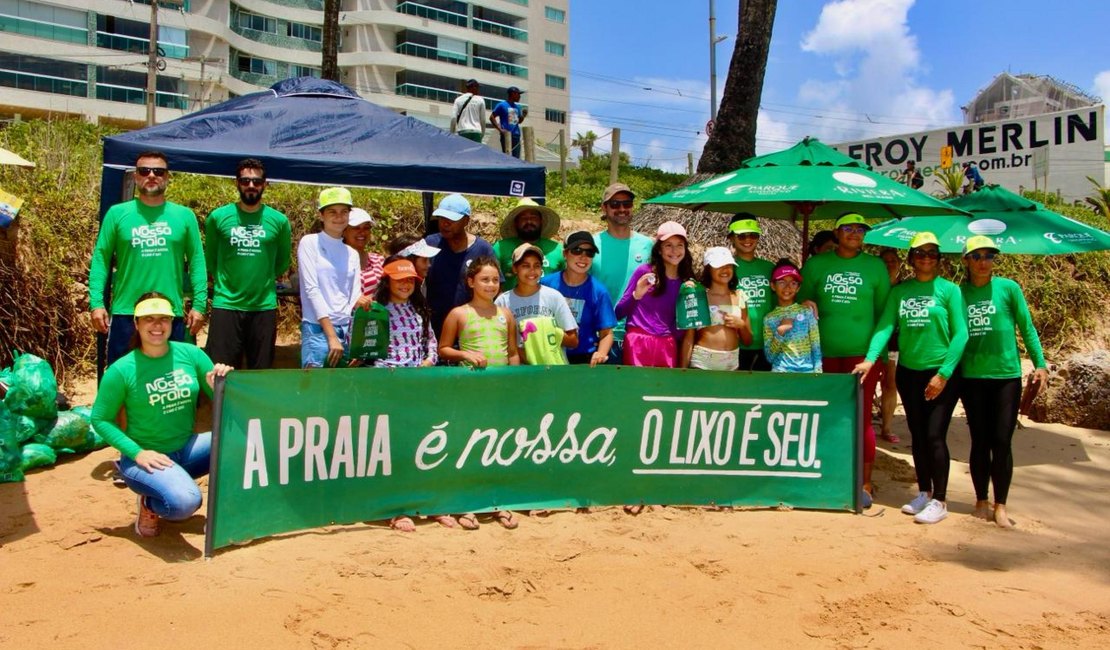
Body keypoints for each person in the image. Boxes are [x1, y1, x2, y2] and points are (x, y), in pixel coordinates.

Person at [90, 292, 232, 537]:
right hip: (144, 460)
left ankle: (226, 516)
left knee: (236, 441)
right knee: (185, 503)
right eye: (149, 319)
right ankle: (149, 504)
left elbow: (226, 401)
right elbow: (100, 419)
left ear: (172, 322)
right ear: (136, 324)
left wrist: (222, 381)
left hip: (186, 449)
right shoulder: (122, 370)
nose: (157, 325)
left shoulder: (191, 355)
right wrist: (137, 453)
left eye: (163, 319)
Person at [854, 232, 968, 525]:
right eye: (920, 253)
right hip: (909, 373)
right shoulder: (900, 292)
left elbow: (961, 334)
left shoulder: (949, 290)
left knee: (934, 435)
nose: (926, 258)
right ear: (911, 258)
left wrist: (943, 374)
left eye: (932, 253)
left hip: (941, 373)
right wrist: (870, 358)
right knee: (918, 435)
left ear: (939, 259)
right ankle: (925, 492)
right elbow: (885, 326)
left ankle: (940, 500)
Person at [958, 236, 1048, 528]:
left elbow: (1027, 327)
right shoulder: (957, 294)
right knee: (980, 441)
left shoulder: (1009, 289)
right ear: (966, 261)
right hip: (972, 378)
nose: (984, 262)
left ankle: (1001, 506)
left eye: (989, 256)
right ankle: (981, 501)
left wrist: (1040, 365)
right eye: (977, 256)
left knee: (1002, 441)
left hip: (1006, 377)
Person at [800, 213, 891, 501]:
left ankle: (864, 482)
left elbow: (883, 317)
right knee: (825, 415)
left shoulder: (875, 267)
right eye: (848, 228)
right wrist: (804, 301)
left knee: (861, 418)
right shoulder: (816, 264)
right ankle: (826, 473)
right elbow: (800, 302)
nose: (854, 233)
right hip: (820, 355)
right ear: (837, 233)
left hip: (862, 357)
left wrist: (879, 357)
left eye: (860, 229)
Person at [89, 151, 207, 368]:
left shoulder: (184, 216)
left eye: (158, 171)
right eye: (145, 171)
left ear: (167, 177)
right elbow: (101, 260)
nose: (151, 175)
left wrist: (199, 305)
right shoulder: (117, 213)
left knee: (169, 384)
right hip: (127, 314)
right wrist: (96, 303)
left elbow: (197, 262)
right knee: (123, 383)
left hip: (169, 313)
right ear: (136, 177)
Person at [437, 257, 520, 530]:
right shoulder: (459, 314)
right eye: (484, 279)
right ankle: (466, 505)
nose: (491, 284)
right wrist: (466, 354)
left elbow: (512, 353)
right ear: (471, 282)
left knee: (498, 448)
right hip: (469, 393)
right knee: (468, 448)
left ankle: (497, 504)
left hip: (499, 394)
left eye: (495, 280)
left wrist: (515, 381)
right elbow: (444, 348)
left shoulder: (505, 315)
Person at [204, 158, 291, 370]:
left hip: (263, 306)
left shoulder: (279, 221)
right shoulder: (218, 217)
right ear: (237, 183)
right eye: (245, 180)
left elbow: (281, 262)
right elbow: (211, 259)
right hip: (226, 304)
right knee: (220, 372)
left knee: (259, 372)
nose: (251, 185)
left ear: (265, 184)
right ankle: (221, 406)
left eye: (256, 181)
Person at [297, 187, 372, 368]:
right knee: (316, 390)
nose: (339, 217)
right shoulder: (309, 242)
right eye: (332, 212)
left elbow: (353, 296)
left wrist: (358, 341)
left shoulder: (352, 253)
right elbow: (311, 290)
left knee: (341, 391)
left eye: (344, 212)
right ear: (321, 215)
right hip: (317, 330)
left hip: (346, 330)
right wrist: (331, 337)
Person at [615, 221, 694, 368]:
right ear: (659, 249)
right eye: (668, 245)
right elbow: (618, 313)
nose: (674, 250)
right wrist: (636, 295)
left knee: (662, 391)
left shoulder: (686, 282)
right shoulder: (644, 272)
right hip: (638, 341)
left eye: (679, 245)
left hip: (668, 344)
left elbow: (683, 326)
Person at [591, 183, 654, 363]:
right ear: (604, 208)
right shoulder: (591, 245)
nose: (622, 209)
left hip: (640, 334)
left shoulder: (647, 245)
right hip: (602, 336)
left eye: (627, 204)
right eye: (615, 204)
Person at [423, 193, 495, 338]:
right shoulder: (429, 244)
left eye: (451, 219)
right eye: (442, 218)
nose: (445, 223)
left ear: (466, 220)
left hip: (472, 328)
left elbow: (496, 287)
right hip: (434, 328)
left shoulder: (483, 249)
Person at [540, 231, 617, 366]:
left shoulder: (599, 291)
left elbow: (607, 333)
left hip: (584, 360)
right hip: (549, 356)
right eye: (577, 250)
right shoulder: (545, 284)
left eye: (589, 252)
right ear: (565, 254)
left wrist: (601, 353)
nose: (583, 257)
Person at [496, 244, 578, 365]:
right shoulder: (502, 301)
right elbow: (499, 341)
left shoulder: (554, 297)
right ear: (514, 268)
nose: (532, 270)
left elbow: (573, 340)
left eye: (537, 266)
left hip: (552, 371)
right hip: (520, 371)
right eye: (525, 266)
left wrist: (544, 329)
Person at [679, 246, 751, 370]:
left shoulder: (740, 297)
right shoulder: (698, 297)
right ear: (708, 269)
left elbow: (748, 340)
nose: (725, 270)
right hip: (702, 362)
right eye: (719, 266)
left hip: (732, 363)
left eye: (729, 265)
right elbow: (689, 337)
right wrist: (683, 370)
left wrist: (742, 325)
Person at [728, 216, 776, 371]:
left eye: (753, 235)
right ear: (731, 238)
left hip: (769, 342)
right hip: (736, 343)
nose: (747, 240)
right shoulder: (726, 268)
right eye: (741, 236)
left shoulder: (770, 268)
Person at [374, 258, 438, 370]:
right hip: (384, 375)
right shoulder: (376, 310)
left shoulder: (419, 310)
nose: (406, 284)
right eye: (399, 279)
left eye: (410, 279)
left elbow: (431, 341)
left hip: (414, 376)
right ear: (387, 282)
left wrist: (429, 361)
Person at [492, 198, 563, 291]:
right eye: (523, 218)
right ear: (516, 223)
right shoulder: (500, 248)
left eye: (533, 217)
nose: (529, 221)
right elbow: (490, 280)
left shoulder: (557, 249)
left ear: (541, 221)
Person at [763, 262, 822, 373]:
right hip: (781, 372)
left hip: (807, 372)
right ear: (772, 285)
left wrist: (818, 370)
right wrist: (780, 332)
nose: (788, 287)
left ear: (798, 288)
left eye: (793, 283)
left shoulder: (807, 312)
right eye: (782, 282)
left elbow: (816, 344)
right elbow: (769, 357)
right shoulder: (769, 318)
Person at [878, 248, 903, 444]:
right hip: (870, 341)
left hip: (894, 343)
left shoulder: (904, 288)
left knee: (890, 383)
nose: (889, 264)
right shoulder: (874, 284)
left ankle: (886, 427)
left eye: (893, 260)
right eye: (885, 261)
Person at [343, 207, 385, 298]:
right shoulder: (334, 261)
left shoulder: (379, 260)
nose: (362, 232)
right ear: (344, 231)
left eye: (366, 228)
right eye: (356, 228)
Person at [490, 86, 526, 157]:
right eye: (518, 94)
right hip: (506, 135)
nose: (519, 96)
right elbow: (492, 117)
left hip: (516, 135)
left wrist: (523, 116)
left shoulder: (517, 107)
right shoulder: (502, 105)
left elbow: (518, 122)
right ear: (513, 94)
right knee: (507, 157)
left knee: (516, 158)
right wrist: (500, 129)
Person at [451, 79, 486, 144]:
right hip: (476, 132)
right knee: (475, 154)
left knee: (463, 153)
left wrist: (452, 133)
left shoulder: (458, 100)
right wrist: (482, 134)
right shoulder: (481, 100)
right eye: (477, 87)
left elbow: (453, 118)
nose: (478, 90)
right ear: (474, 87)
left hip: (463, 131)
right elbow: (483, 120)